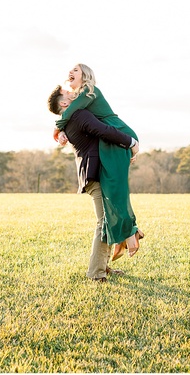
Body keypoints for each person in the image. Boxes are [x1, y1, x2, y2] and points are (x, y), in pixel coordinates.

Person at [48, 85, 139, 282]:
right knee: (104, 222)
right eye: (67, 93)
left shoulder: (71, 119)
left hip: (92, 173)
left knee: (107, 219)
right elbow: (104, 130)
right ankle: (96, 273)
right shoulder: (79, 116)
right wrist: (131, 142)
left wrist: (58, 129)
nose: (73, 93)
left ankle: (103, 266)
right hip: (95, 174)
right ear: (64, 103)